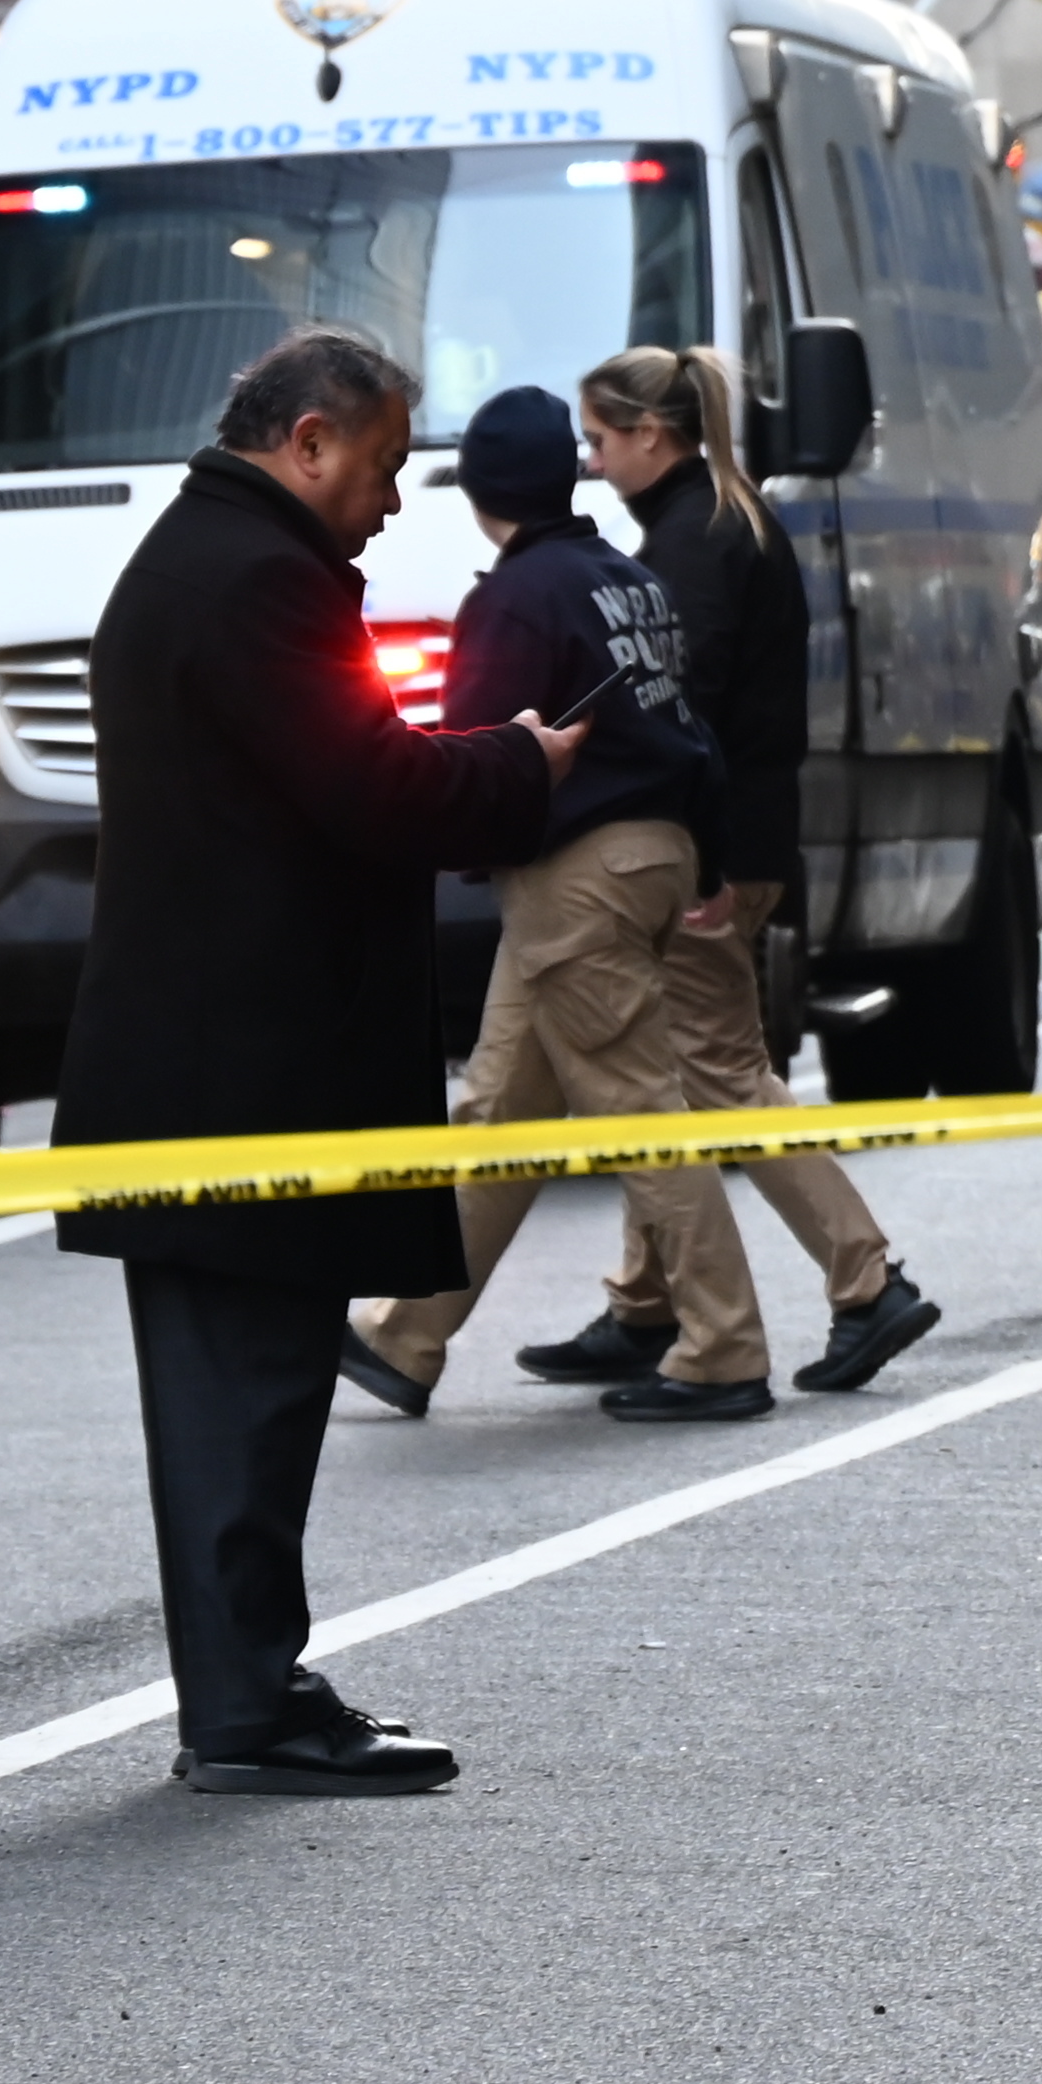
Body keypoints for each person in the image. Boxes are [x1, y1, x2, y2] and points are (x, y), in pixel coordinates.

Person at [59, 327, 567, 1797]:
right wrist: (526, 763)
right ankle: (246, 1705)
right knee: (247, 1399)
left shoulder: (207, 557)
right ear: (310, 443)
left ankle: (251, 1687)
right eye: (387, 465)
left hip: (218, 1055)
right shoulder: (260, 582)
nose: (395, 500)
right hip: (242, 1066)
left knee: (249, 1394)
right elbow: (372, 785)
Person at [443, 346, 939, 1408]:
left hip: (691, 843)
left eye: (603, 437)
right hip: (713, 840)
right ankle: (645, 1305)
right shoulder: (716, 521)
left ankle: (858, 1278)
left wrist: (706, 852)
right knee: (656, 1072)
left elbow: (681, 708)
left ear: (650, 437)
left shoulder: (689, 540)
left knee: (706, 1080)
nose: (592, 457)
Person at [339, 385, 768, 1422]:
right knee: (499, 1109)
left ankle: (724, 1345)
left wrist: (431, 847)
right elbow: (694, 729)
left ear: (482, 487)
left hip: (575, 874)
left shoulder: (515, 599)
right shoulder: (633, 581)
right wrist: (707, 858)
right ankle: (407, 1332)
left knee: (640, 1115)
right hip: (657, 853)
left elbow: (484, 756)